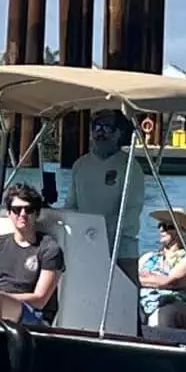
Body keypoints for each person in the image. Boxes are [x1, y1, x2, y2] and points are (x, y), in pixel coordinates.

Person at [0, 182, 64, 325]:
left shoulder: (49, 248)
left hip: (33, 315)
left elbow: (40, 299)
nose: (22, 214)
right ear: (9, 213)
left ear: (36, 214)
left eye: (29, 210)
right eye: (17, 210)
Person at [66, 111, 142, 280]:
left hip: (122, 245)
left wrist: (106, 233)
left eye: (107, 127)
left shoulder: (130, 165)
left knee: (127, 295)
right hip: (85, 241)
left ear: (118, 134)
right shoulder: (80, 165)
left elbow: (132, 209)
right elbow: (71, 205)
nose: (100, 132)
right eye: (96, 127)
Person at [136, 208, 186, 328]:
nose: (161, 229)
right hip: (141, 299)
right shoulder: (148, 257)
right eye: (160, 225)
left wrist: (142, 280)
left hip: (172, 301)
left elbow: (171, 282)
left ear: (182, 232)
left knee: (159, 318)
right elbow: (129, 280)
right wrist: (153, 280)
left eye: (167, 226)